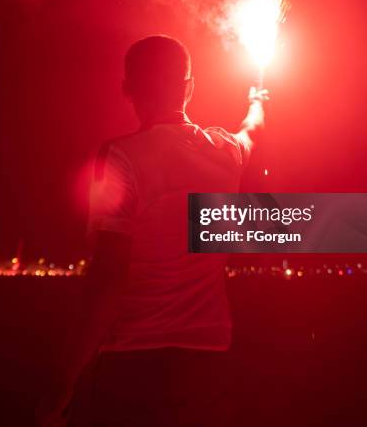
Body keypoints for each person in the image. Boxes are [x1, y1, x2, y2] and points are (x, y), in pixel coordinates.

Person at [36, 34, 268, 426]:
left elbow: (108, 276)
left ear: (127, 88)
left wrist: (64, 379)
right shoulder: (225, 150)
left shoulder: (120, 157)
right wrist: (258, 101)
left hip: (136, 363)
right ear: (189, 87)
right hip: (209, 365)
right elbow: (252, 133)